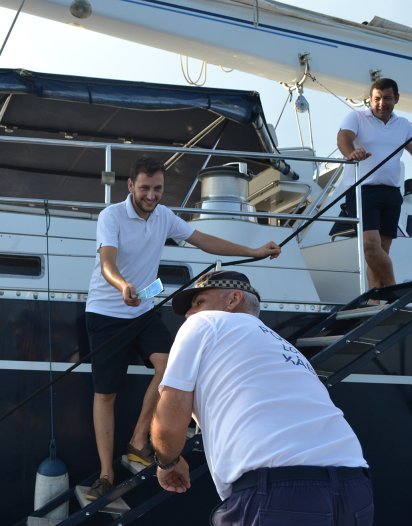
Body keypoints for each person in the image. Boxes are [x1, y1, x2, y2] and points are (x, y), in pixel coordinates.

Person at [84, 157, 281, 500]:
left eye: (157, 189)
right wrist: (122, 286)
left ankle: (137, 441)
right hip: (106, 312)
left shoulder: (163, 217)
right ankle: (105, 475)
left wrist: (253, 252)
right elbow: (107, 262)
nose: (151, 195)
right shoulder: (111, 216)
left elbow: (204, 240)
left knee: (168, 365)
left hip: (143, 311)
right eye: (144, 188)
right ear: (130, 185)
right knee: (106, 394)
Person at [151, 270, 373, 526]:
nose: (189, 313)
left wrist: (167, 462)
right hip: (354, 488)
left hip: (279, 494)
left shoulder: (205, 323)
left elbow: (168, 421)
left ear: (233, 299)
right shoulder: (285, 347)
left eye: (198, 302)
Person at [335, 77, 412, 291]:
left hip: (391, 192)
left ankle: (376, 296)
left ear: (396, 99)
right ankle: (393, 290)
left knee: (382, 250)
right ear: (370, 100)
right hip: (363, 188)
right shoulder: (356, 117)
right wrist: (351, 153)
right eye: (377, 99)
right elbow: (343, 138)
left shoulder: (403, 125)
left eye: (387, 98)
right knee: (370, 247)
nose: (381, 103)